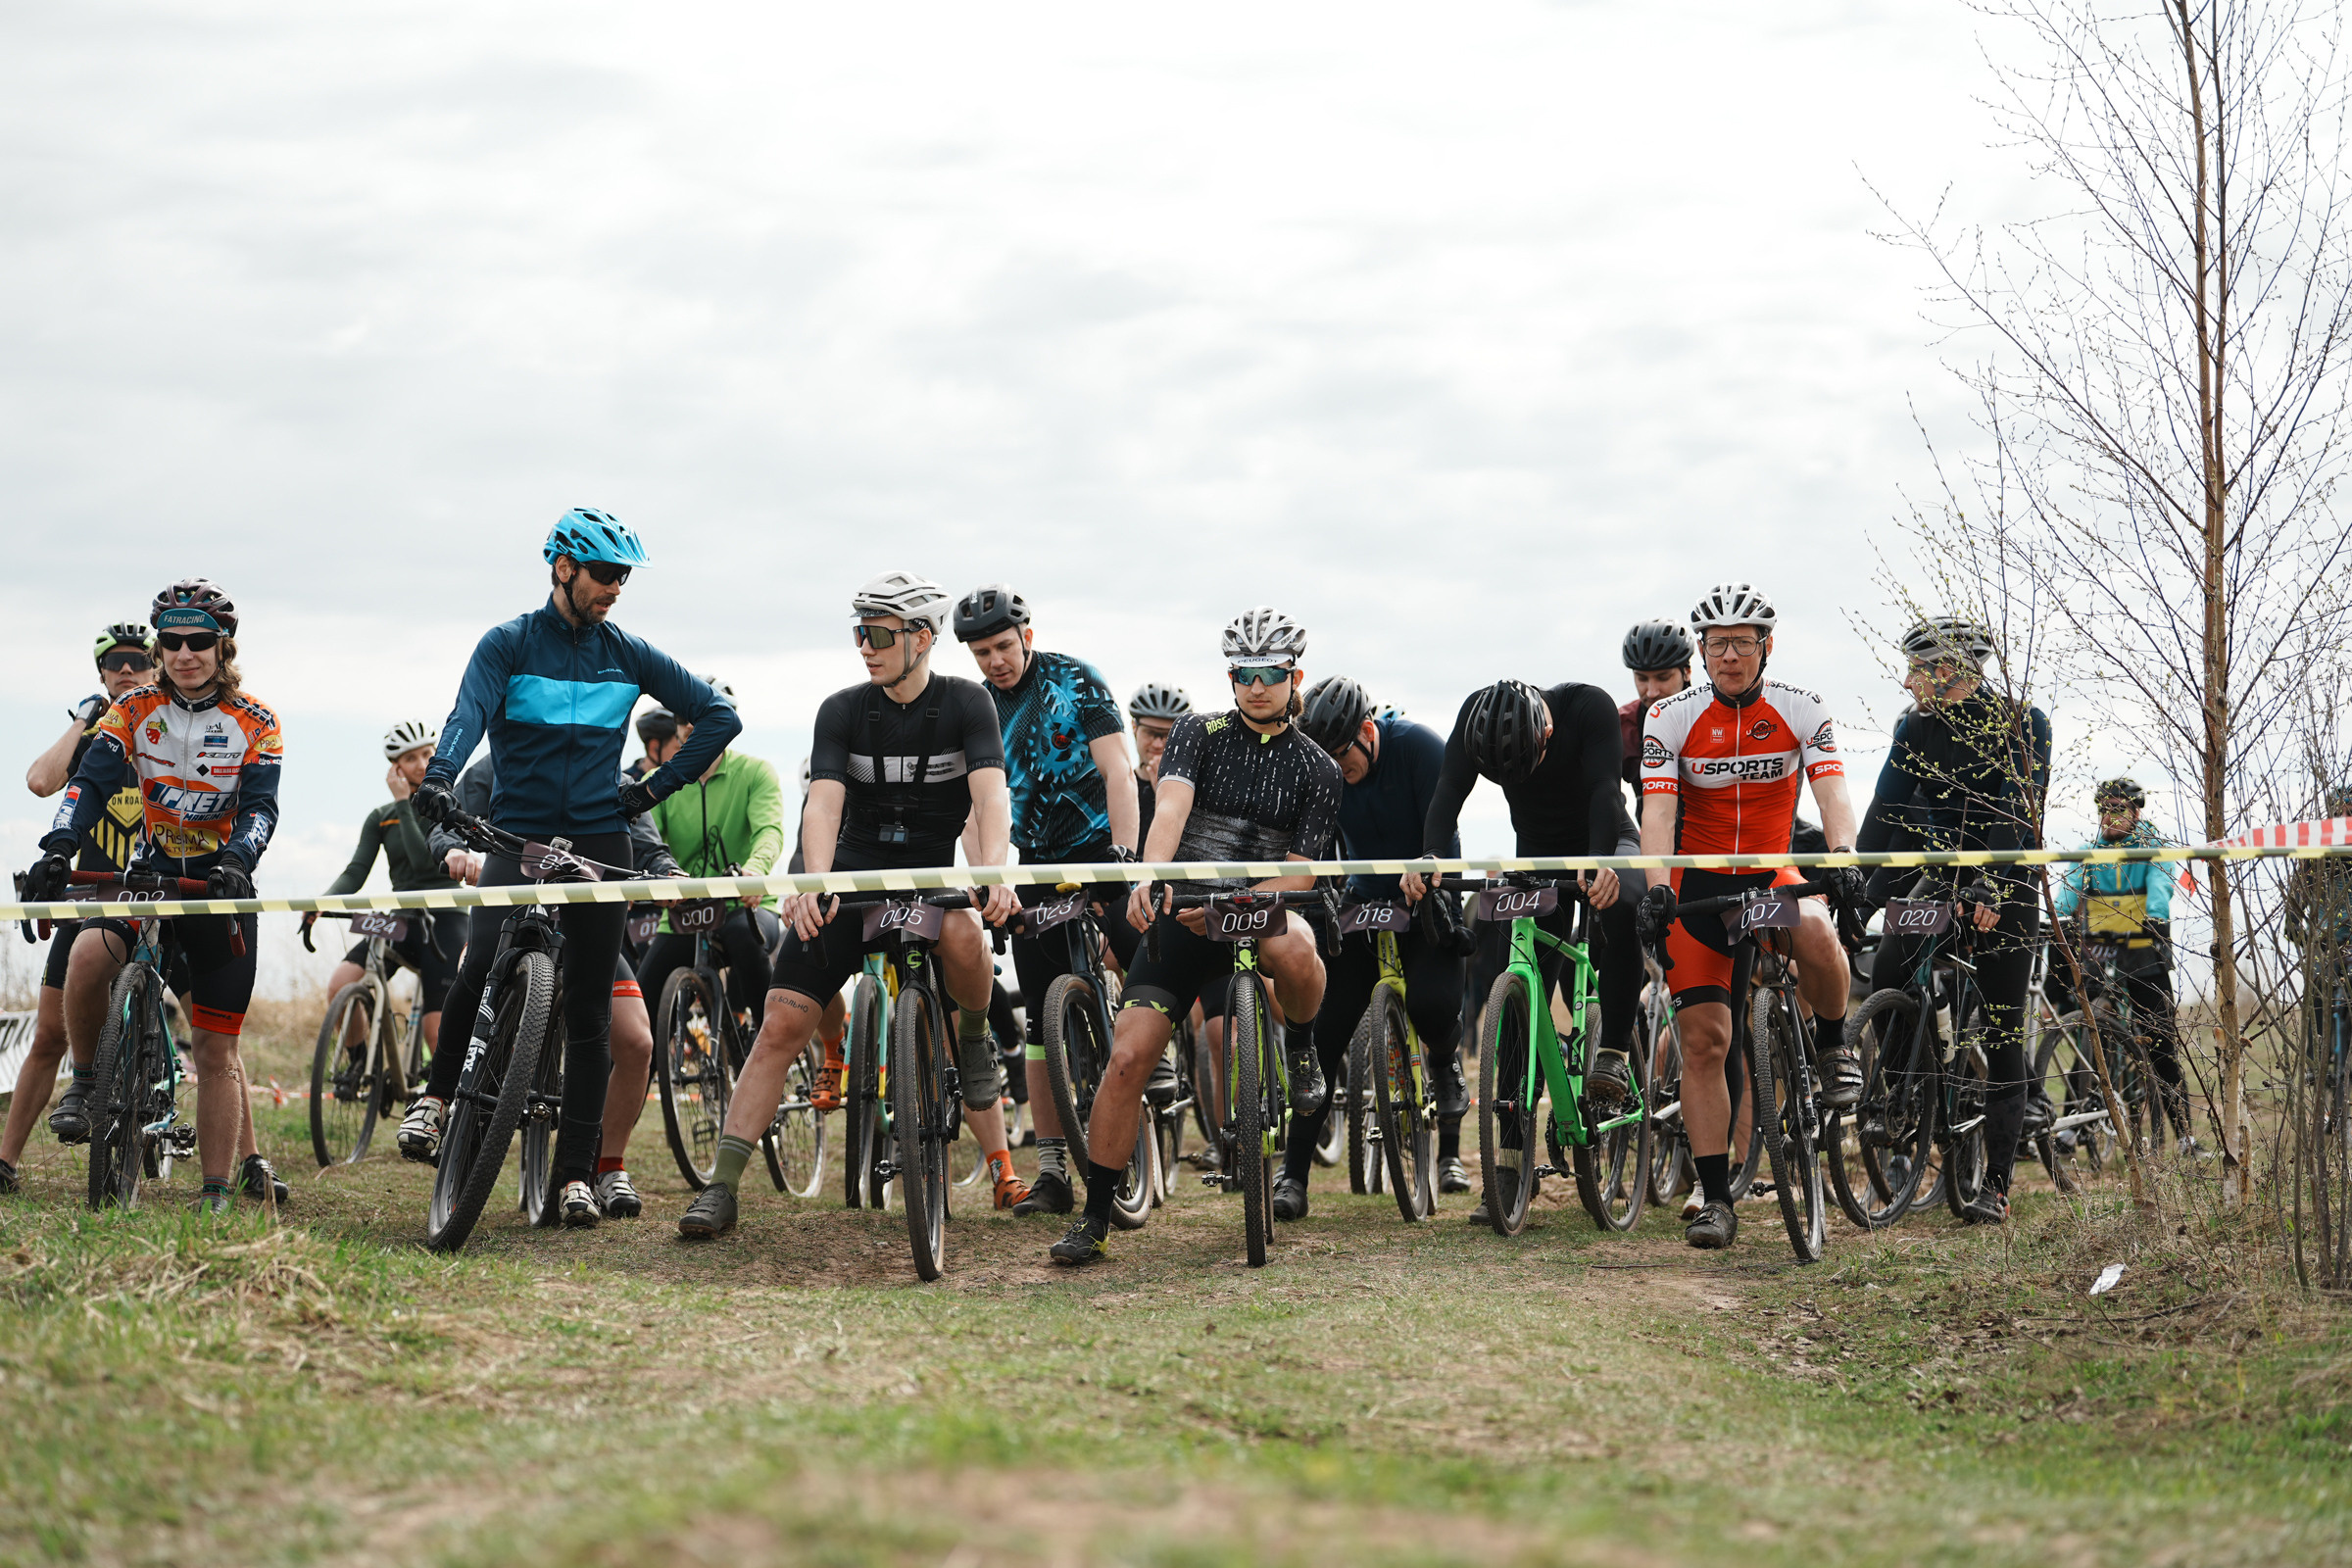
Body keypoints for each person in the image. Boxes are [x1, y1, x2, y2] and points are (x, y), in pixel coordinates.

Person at [400, 509, 740, 1229]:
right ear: (563, 568)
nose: (616, 588)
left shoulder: (629, 652)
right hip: (515, 830)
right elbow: (467, 712)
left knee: (589, 1008)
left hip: (598, 838)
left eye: (623, 576)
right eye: (605, 575)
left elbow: (717, 717)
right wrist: (443, 776)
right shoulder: (509, 643)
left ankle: (576, 1176)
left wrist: (650, 790)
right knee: (482, 958)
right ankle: (435, 1099)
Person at [674, 571, 1029, 1239]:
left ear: (922, 639)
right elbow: (824, 803)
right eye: (858, 633)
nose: (864, 646)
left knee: (964, 936)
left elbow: (989, 798)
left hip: (929, 874)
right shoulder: (840, 709)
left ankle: (975, 1039)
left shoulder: (967, 705)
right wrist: (815, 882)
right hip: (852, 875)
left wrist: (995, 874)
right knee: (780, 1023)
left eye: (878, 635)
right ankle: (721, 1187)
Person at [1050, 608, 1342, 1266]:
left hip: (1261, 908)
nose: (1255, 686)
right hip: (1186, 912)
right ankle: (1095, 1217)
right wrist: (1154, 877)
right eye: (1243, 673)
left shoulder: (1318, 767)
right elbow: (1172, 808)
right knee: (1127, 1060)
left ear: (1295, 675)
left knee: (1298, 946)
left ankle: (1300, 1047)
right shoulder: (1195, 733)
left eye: (1269, 673)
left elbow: (1300, 874)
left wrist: (1239, 903)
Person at [24, 582, 289, 1214]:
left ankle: (218, 1188)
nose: (183, 653)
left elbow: (260, 806)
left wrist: (236, 861)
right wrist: (58, 847)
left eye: (198, 641)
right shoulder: (133, 709)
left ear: (222, 647)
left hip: (218, 883)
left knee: (215, 1049)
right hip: (152, 872)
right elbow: (87, 783)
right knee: (89, 957)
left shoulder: (258, 721)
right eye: (170, 641)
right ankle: (88, 1083)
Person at [1635, 583, 1863, 1251]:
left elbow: (1832, 791)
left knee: (1818, 932)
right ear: (1700, 650)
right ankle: (1714, 1198)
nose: (1728, 655)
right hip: (1699, 884)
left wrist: (1843, 856)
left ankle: (1831, 1045)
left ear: (1767, 645)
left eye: (1742, 641)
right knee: (1704, 1043)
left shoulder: (1801, 707)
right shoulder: (1670, 717)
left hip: (1770, 870)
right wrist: (1656, 888)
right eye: (1716, 643)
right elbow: (1659, 813)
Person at [1409, 675, 1647, 1222]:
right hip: (1536, 854)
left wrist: (1600, 860)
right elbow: (1448, 794)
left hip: (1606, 837)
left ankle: (1611, 1048)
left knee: (1625, 906)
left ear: (1546, 729)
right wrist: (1428, 858)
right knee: (1515, 990)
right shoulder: (1475, 719)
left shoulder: (1587, 707)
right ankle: (1512, 1165)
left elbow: (1606, 791)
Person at [424, 749, 683, 1216]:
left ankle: (607, 1166)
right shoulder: (495, 765)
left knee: (637, 1042)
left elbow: (645, 839)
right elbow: (448, 821)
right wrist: (454, 851)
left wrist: (666, 870)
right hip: (514, 921)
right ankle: (447, 1118)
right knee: (478, 980)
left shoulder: (612, 776)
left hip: (584, 928)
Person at [952, 583, 1141, 1218]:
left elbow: (1119, 771)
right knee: (1039, 1017)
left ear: (1026, 636)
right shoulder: (974, 709)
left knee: (1139, 946)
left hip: (1098, 847)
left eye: (1003, 646)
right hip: (1034, 864)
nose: (995, 661)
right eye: (981, 653)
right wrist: (988, 877)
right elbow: (974, 809)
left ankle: (1154, 1051)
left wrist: (1127, 858)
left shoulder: (1076, 680)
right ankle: (1054, 1171)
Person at [1856, 615, 2052, 1224]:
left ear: (1949, 671)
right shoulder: (1915, 728)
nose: (1908, 681)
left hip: (2006, 875)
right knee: (1891, 961)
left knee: (2001, 1025)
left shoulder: (2024, 720)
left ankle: (1995, 1181)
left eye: (1918, 669)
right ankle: (1910, 1096)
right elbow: (1885, 812)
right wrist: (1854, 885)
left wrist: (1992, 882)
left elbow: (2020, 808)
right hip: (1943, 875)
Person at [1278, 675, 1466, 1218]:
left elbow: (1444, 829)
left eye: (1342, 756)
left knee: (1432, 1004)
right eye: (1325, 760)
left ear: (1366, 731)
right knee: (1323, 1034)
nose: (1336, 771)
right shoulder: (1322, 771)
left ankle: (1446, 1064)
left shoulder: (1419, 747)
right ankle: (1293, 1176)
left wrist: (1427, 869)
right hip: (1365, 900)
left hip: (1426, 894)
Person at [2, 623, 160, 1191]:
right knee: (49, 1036)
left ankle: (246, 1162)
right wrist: (81, 720)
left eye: (138, 660)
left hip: (160, 898)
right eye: (114, 661)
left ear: (157, 665)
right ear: (100, 673)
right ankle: (5, 1164)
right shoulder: (93, 742)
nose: (126, 669)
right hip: (87, 903)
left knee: (216, 1040)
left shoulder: (168, 733)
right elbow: (40, 781)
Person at [304, 720, 466, 1068]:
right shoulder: (380, 817)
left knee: (437, 1033)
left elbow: (426, 861)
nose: (422, 765)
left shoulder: (451, 807)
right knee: (339, 986)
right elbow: (355, 872)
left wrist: (405, 803)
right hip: (400, 921)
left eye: (427, 754)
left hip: (447, 920)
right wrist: (321, 903)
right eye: (411, 759)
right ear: (396, 767)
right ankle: (363, 1065)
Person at [2047, 777, 2194, 1152]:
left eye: (2119, 809)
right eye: (2105, 810)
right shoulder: (2089, 851)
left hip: (2145, 946)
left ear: (2135, 812)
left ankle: (2185, 1135)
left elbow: (2161, 884)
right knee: (2090, 1032)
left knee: (2160, 1041)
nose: (2110, 817)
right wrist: (2059, 918)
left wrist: (2157, 916)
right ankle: (2075, 1122)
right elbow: (2068, 893)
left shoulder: (2153, 847)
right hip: (2100, 950)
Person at [637, 676, 787, 1041]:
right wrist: (651, 880)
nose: (690, 727)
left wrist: (756, 869)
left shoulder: (755, 773)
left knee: (744, 940)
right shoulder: (659, 780)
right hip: (684, 912)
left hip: (746, 904)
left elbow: (770, 830)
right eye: (684, 719)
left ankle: (767, 1041)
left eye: (701, 717)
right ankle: (641, 1081)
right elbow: (644, 840)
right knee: (642, 1005)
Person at [1618, 619, 1695, 794]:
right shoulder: (1621, 724)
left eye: (1663, 678)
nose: (1652, 692)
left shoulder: (1715, 715)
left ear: (1687, 672)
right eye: (1642, 679)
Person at [1128, 682, 1192, 848]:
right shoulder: (1116, 787)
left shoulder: (1198, 790)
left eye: (1168, 735)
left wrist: (1168, 793)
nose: (1158, 744)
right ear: (1134, 728)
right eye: (1150, 733)